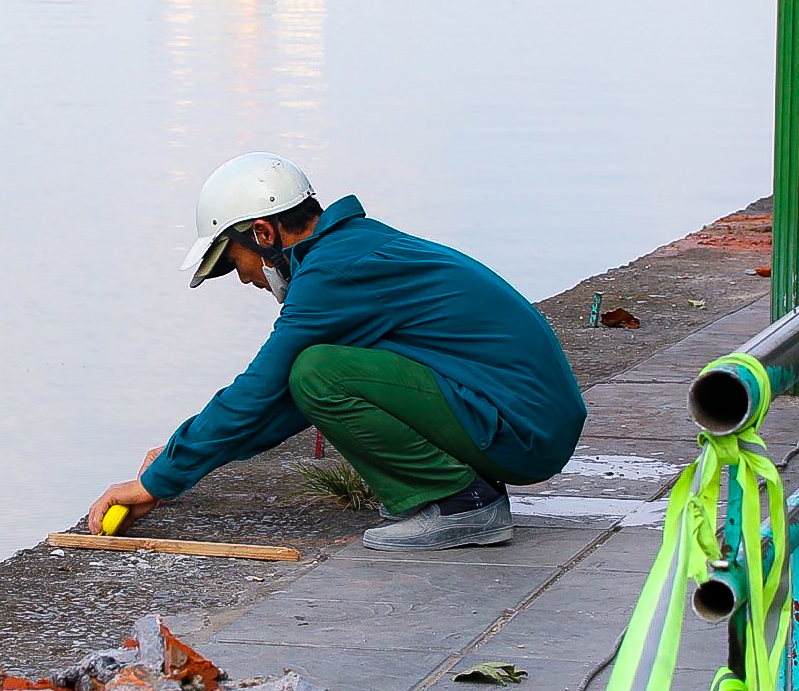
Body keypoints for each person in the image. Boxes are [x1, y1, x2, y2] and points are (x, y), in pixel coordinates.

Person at [85, 153, 586, 551]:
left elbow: (265, 389)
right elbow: (282, 404)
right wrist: (177, 462)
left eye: (236, 262)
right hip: (525, 419)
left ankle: (463, 504)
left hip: (523, 430)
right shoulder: (350, 250)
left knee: (317, 370)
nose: (243, 278)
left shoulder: (334, 274)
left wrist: (156, 481)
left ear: (263, 233)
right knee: (312, 374)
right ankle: (458, 492)